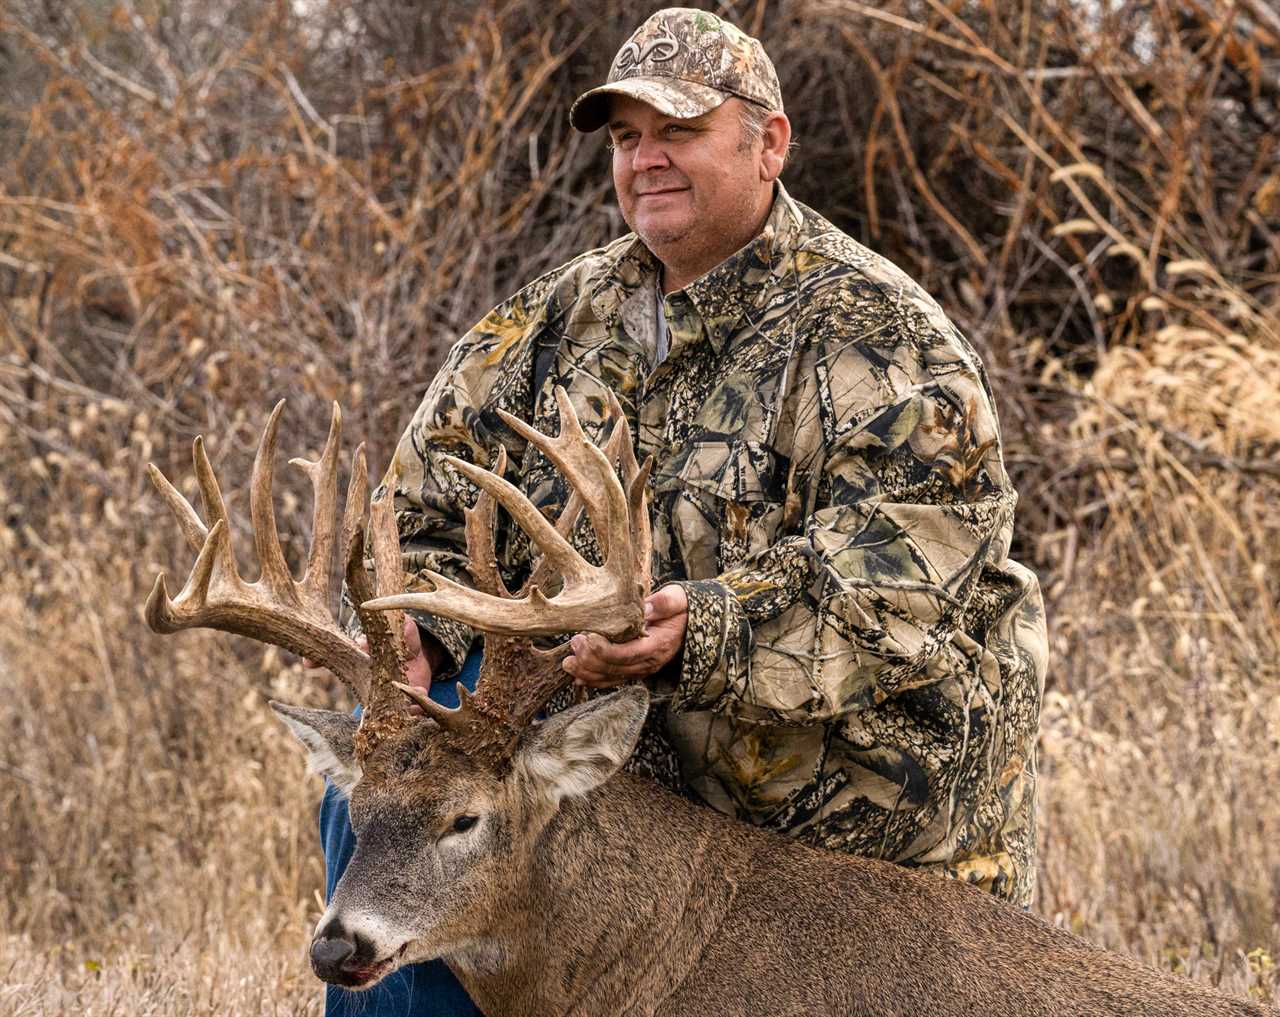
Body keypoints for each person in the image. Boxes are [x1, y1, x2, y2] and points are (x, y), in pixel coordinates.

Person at [321, 7, 1049, 1015]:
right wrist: (422, 636)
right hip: (635, 805)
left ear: (768, 142)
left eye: (678, 130)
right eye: (625, 138)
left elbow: (897, 603)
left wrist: (695, 633)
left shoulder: (881, 342)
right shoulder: (548, 323)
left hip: (850, 835)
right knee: (386, 775)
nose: (645, 160)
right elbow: (421, 510)